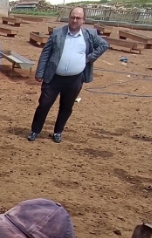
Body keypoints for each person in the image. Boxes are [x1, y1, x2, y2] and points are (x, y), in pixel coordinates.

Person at [28, 7, 108, 144]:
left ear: (84, 20)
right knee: (44, 104)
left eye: (78, 18)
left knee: (66, 107)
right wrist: (40, 72)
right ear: (69, 18)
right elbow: (45, 53)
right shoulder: (58, 33)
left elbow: (104, 45)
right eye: (73, 17)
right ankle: (35, 130)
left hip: (75, 79)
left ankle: (58, 132)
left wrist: (89, 58)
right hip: (53, 78)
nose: (75, 20)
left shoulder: (89, 35)